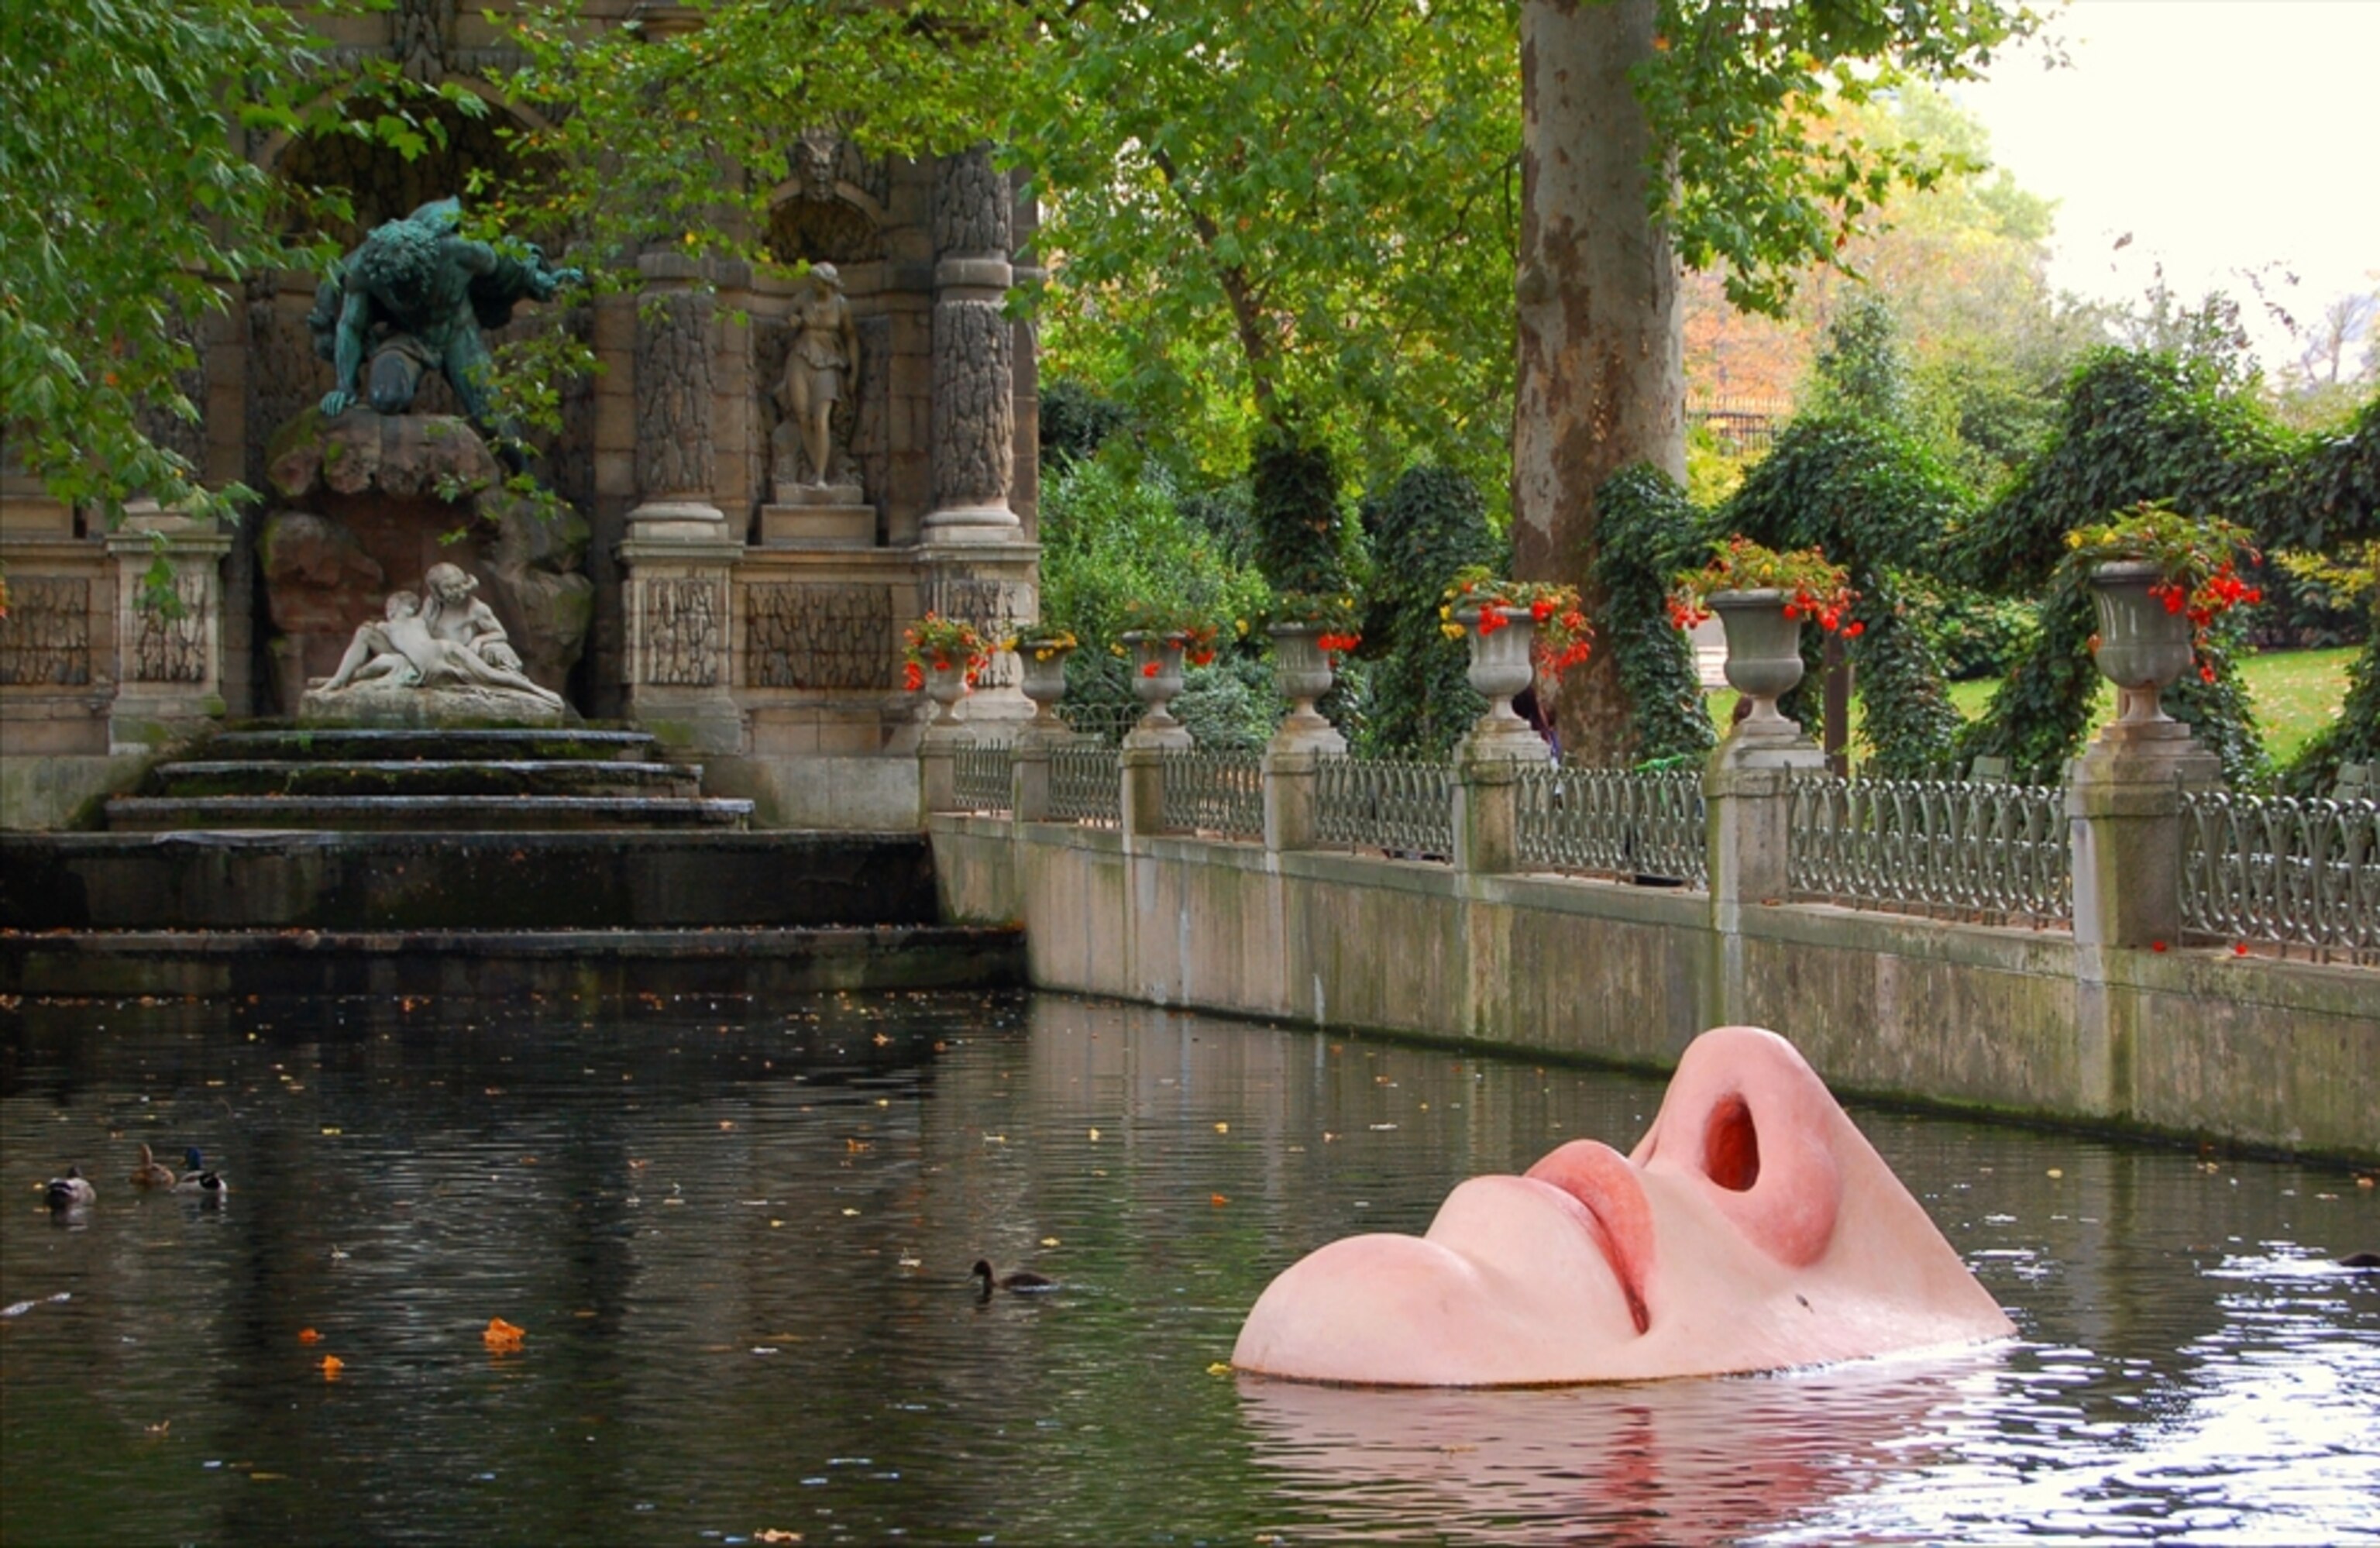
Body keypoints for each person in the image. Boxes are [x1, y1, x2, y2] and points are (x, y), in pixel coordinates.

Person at [309, 198, 580, 445]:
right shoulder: (363, 269)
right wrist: (345, 386)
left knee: (492, 415)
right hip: (404, 336)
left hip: (455, 330)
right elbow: (350, 326)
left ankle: (526, 478)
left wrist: (540, 279)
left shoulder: (459, 252)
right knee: (386, 397)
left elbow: (507, 263)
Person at [314, 590, 562, 708]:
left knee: (490, 676)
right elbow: (376, 661)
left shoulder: (418, 618)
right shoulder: (383, 631)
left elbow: (437, 599)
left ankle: (536, 691)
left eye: (392, 604)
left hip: (443, 651)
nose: (389, 609)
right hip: (419, 661)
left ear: (400, 606)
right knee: (367, 639)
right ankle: (337, 681)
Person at [776, 263, 858, 487]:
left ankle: (822, 475)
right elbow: (782, 323)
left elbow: (851, 337)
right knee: (802, 416)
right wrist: (794, 323)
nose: (812, 284)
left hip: (829, 361)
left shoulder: (842, 305)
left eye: (817, 280)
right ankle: (814, 470)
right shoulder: (803, 298)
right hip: (801, 358)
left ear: (829, 283)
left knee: (821, 419)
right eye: (811, 280)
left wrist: (854, 373)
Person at [420, 562, 525, 673]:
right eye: (448, 588)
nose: (456, 591)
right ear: (437, 590)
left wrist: (478, 640)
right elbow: (418, 627)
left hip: (467, 657)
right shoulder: (432, 604)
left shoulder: (476, 608)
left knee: (498, 649)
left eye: (458, 585)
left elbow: (501, 633)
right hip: (438, 657)